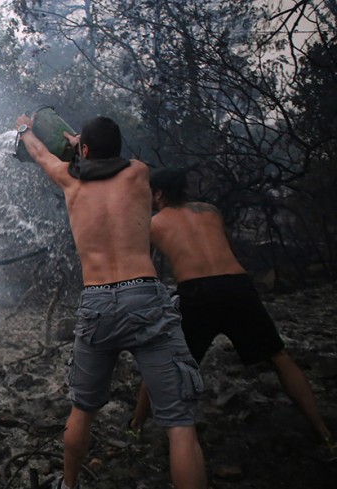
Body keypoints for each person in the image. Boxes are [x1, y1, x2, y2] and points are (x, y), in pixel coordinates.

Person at [15, 115, 207, 489]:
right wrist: (79, 140)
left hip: (97, 302)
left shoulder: (69, 179)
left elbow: (39, 154)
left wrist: (25, 128)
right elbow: (106, 159)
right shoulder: (139, 172)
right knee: (180, 424)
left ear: (83, 150)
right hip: (145, 298)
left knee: (82, 411)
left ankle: (68, 486)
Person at [128, 167, 334, 450]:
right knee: (279, 356)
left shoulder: (153, 223)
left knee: (162, 361)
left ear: (159, 194)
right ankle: (324, 432)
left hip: (198, 292)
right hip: (238, 286)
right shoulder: (210, 211)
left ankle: (136, 427)